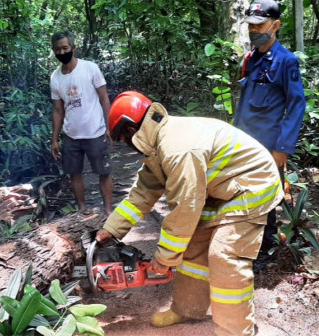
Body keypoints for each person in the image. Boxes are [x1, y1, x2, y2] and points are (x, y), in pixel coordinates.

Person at [95, 91, 284, 336]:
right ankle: (187, 309)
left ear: (131, 131)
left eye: (123, 140)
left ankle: (235, 330)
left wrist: (164, 259)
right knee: (193, 247)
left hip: (251, 186)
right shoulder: (159, 143)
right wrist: (111, 229)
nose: (128, 147)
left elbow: (186, 208)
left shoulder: (177, 149)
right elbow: (142, 194)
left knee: (224, 256)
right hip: (218, 189)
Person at [234, 0, 306, 256]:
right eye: (251, 27)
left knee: (264, 197)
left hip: (268, 145)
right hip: (244, 141)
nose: (254, 31)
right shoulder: (252, 58)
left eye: (259, 26)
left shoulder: (286, 62)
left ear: (275, 26)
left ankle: (266, 250)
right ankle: (247, 244)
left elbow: (297, 105)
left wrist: (283, 148)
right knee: (242, 193)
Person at [50, 31, 113, 216]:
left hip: (95, 132)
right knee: (74, 173)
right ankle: (82, 209)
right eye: (57, 49)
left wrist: (109, 127)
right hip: (71, 135)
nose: (61, 52)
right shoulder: (55, 77)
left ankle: (108, 209)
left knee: (104, 172)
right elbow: (58, 110)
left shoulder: (90, 68)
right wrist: (54, 139)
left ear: (73, 48)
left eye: (65, 48)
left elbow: (104, 98)